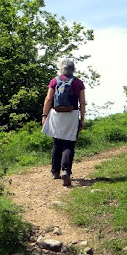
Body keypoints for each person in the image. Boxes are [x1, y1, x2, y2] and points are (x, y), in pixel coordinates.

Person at [41, 58, 86, 186]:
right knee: (69, 143)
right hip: (72, 115)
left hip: (57, 114)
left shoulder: (55, 81)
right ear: (73, 69)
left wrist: (44, 115)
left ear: (61, 68)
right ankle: (66, 170)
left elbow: (49, 98)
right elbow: (82, 102)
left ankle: (55, 172)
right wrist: (82, 119)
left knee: (57, 142)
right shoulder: (78, 83)